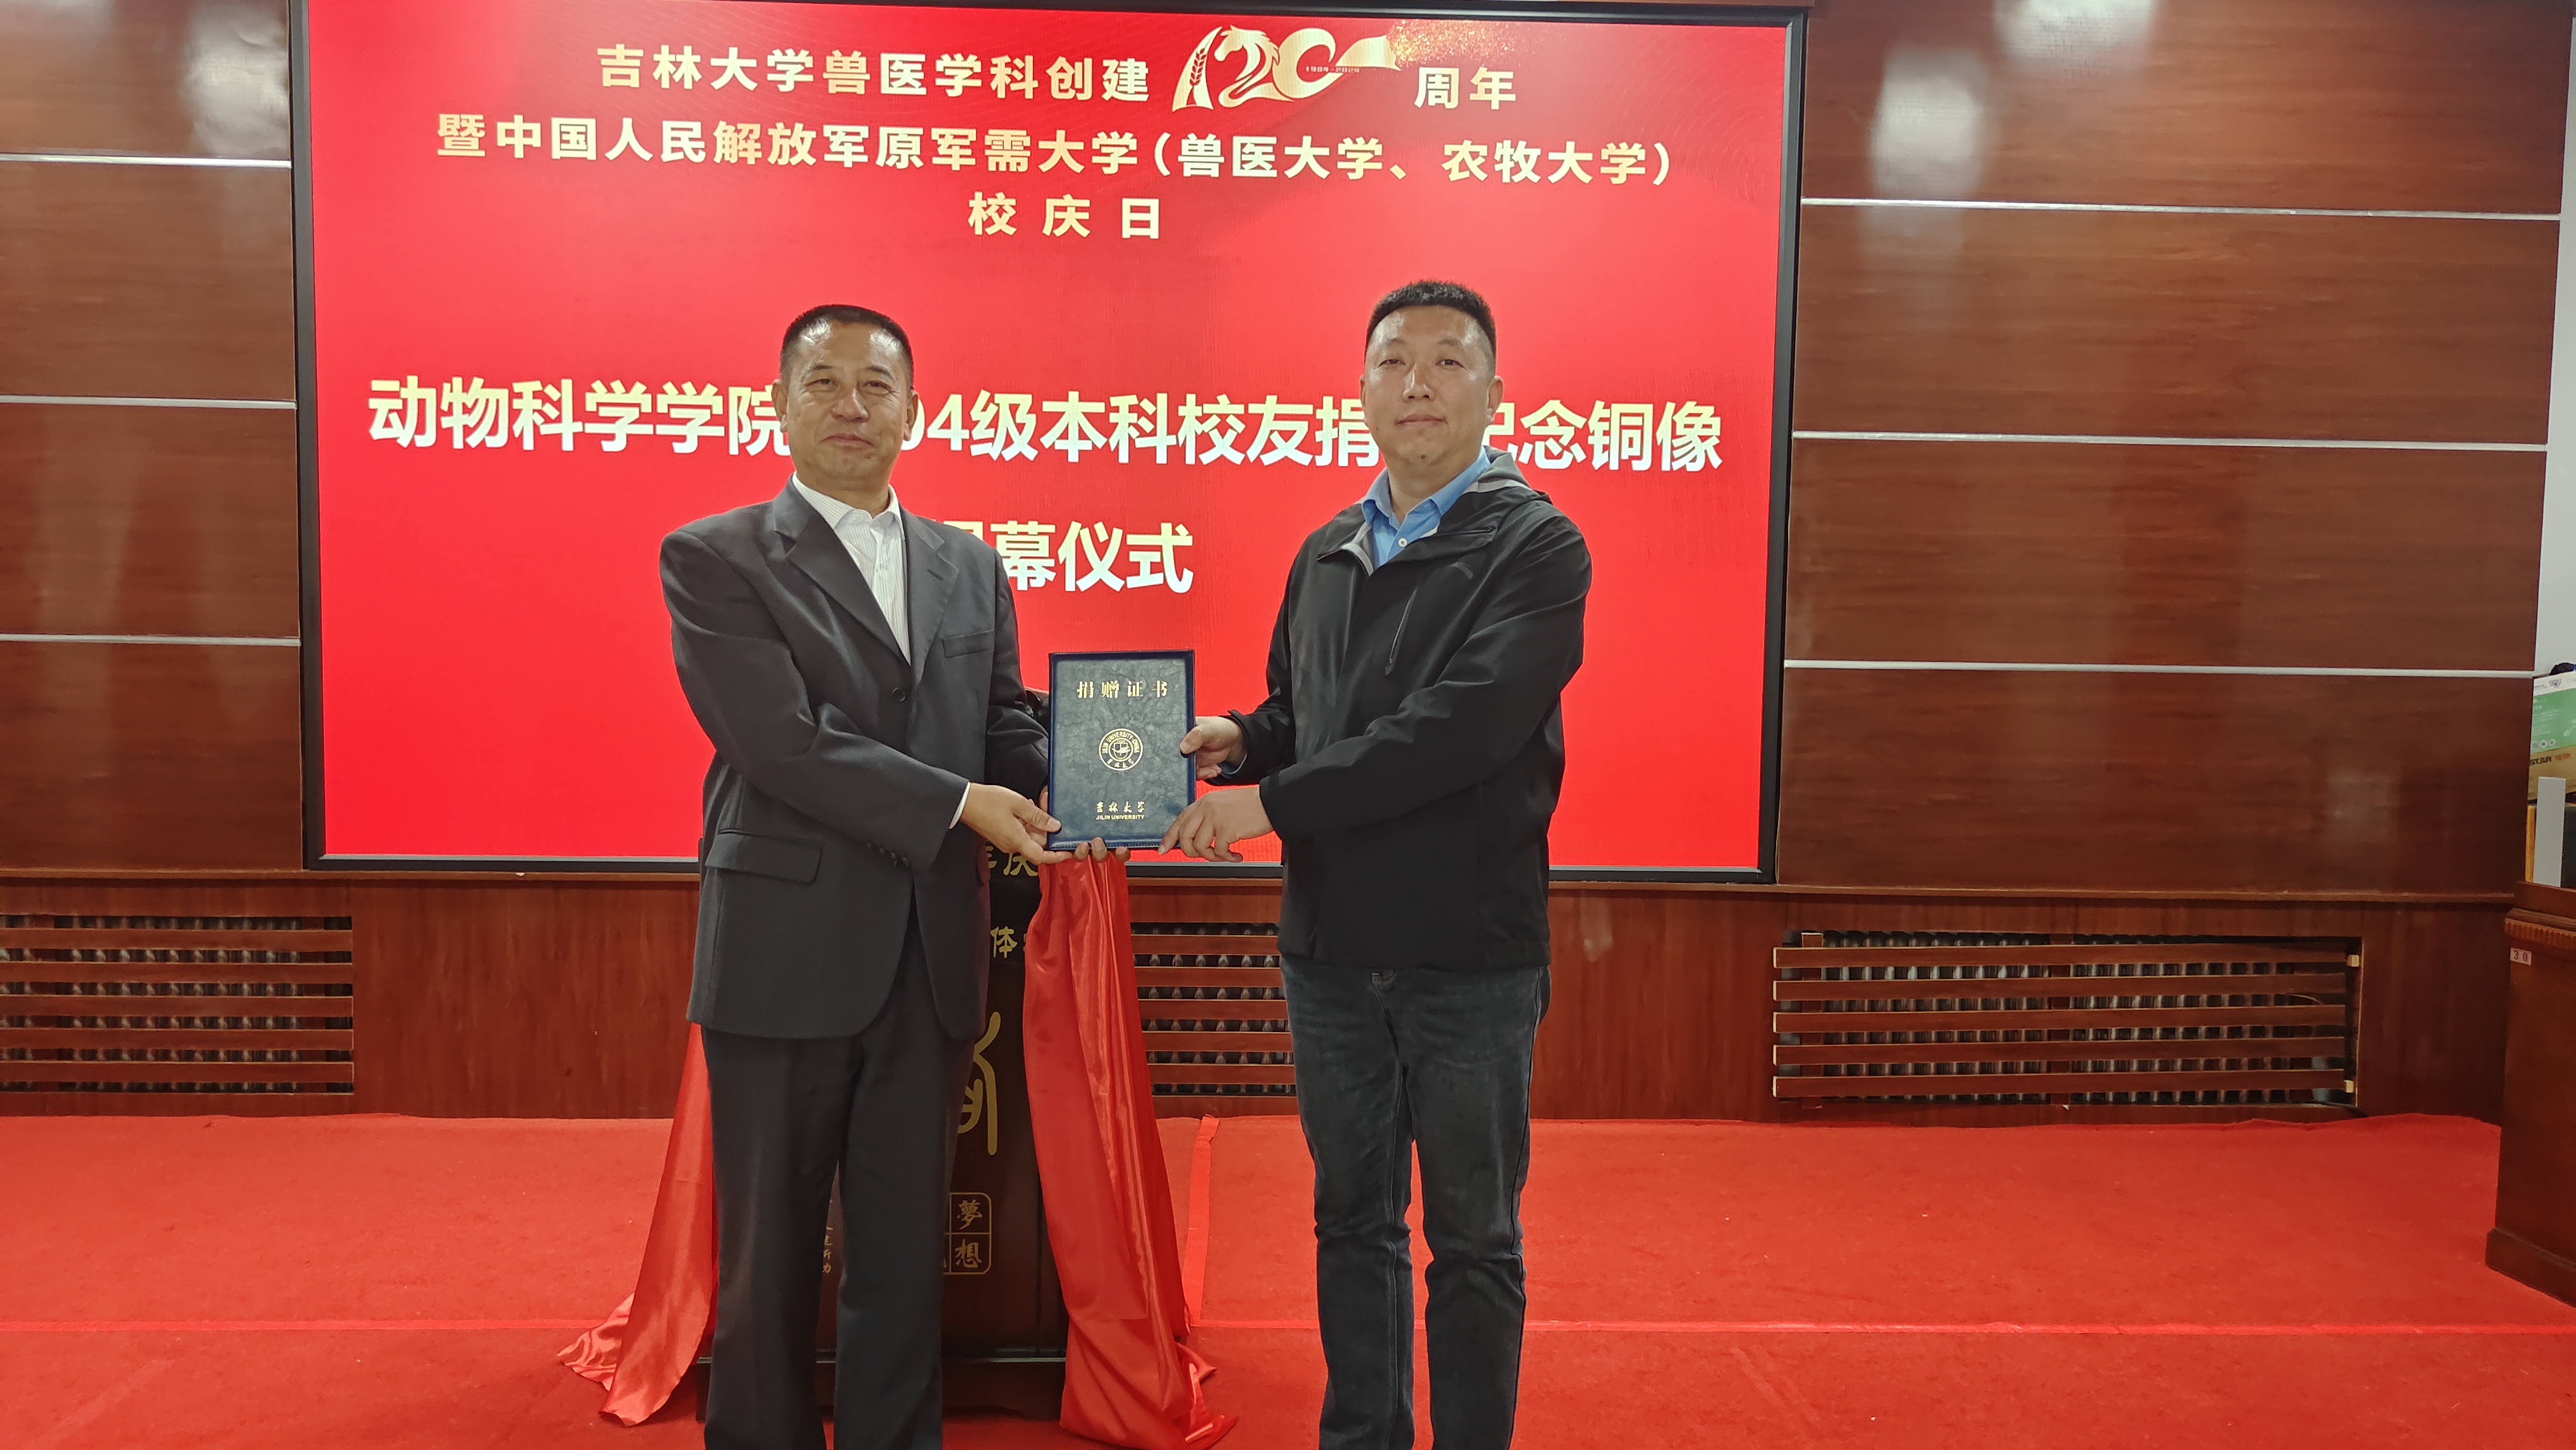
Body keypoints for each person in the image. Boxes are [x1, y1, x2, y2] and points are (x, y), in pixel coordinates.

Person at [1159, 280, 1591, 1449]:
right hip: (1333, 952)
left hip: (1468, 956)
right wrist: (1245, 740)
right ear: (1360, 390)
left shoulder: (1537, 547)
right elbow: (1307, 712)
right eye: (1394, 361)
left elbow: (1457, 733)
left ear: (1495, 393)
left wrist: (1271, 804)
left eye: (1449, 362)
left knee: (1473, 1240)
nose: (1418, 385)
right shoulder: (1326, 553)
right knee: (1352, 1223)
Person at [660, 304, 1100, 1450]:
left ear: (916, 410)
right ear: (778, 404)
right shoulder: (714, 557)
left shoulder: (970, 564)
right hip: (783, 960)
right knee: (769, 1255)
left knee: (904, 1257)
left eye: (876, 386)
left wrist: (1107, 780)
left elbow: (1002, 729)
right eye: (824, 383)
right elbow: (781, 742)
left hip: (929, 959)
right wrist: (960, 804)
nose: (851, 406)